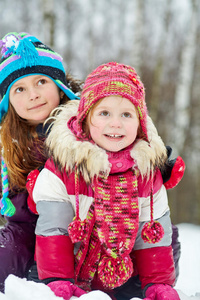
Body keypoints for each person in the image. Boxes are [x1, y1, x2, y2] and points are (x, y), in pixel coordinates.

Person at [30, 62, 185, 300]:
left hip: (126, 277)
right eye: (104, 113)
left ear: (140, 123)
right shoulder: (64, 166)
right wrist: (58, 279)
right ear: (85, 119)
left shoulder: (146, 172)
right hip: (69, 271)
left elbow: (152, 237)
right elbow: (54, 229)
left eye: (126, 114)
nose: (116, 123)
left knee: (167, 234)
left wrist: (157, 284)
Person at [0, 31, 81, 293]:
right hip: (29, 228)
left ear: (60, 85)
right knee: (5, 253)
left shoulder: (87, 124)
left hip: (84, 224)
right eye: (20, 89)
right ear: (8, 102)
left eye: (41, 81)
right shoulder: (7, 142)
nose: (33, 95)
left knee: (158, 233)